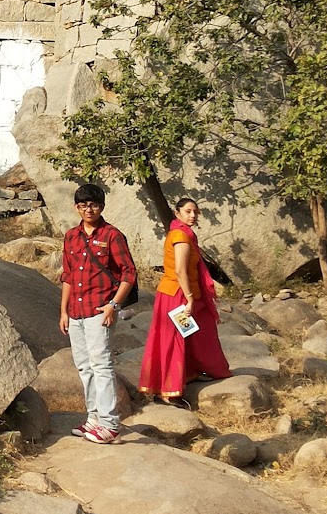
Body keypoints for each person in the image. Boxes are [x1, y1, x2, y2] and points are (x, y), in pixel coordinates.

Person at [60, 181, 137, 444]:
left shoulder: (112, 235)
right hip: (76, 311)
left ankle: (110, 424)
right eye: (83, 205)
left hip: (99, 309)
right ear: (76, 208)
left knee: (102, 365)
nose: (88, 210)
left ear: (101, 206)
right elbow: (68, 276)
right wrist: (63, 312)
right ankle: (93, 419)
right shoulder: (71, 236)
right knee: (84, 367)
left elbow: (129, 272)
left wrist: (114, 305)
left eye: (93, 205)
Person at [139, 196, 230, 404]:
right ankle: (168, 393)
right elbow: (180, 271)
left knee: (196, 333)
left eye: (195, 212)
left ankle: (190, 372)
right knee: (175, 340)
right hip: (177, 296)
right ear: (177, 213)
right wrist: (189, 300)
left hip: (185, 294)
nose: (192, 215)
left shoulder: (186, 234)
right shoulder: (180, 235)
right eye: (188, 211)